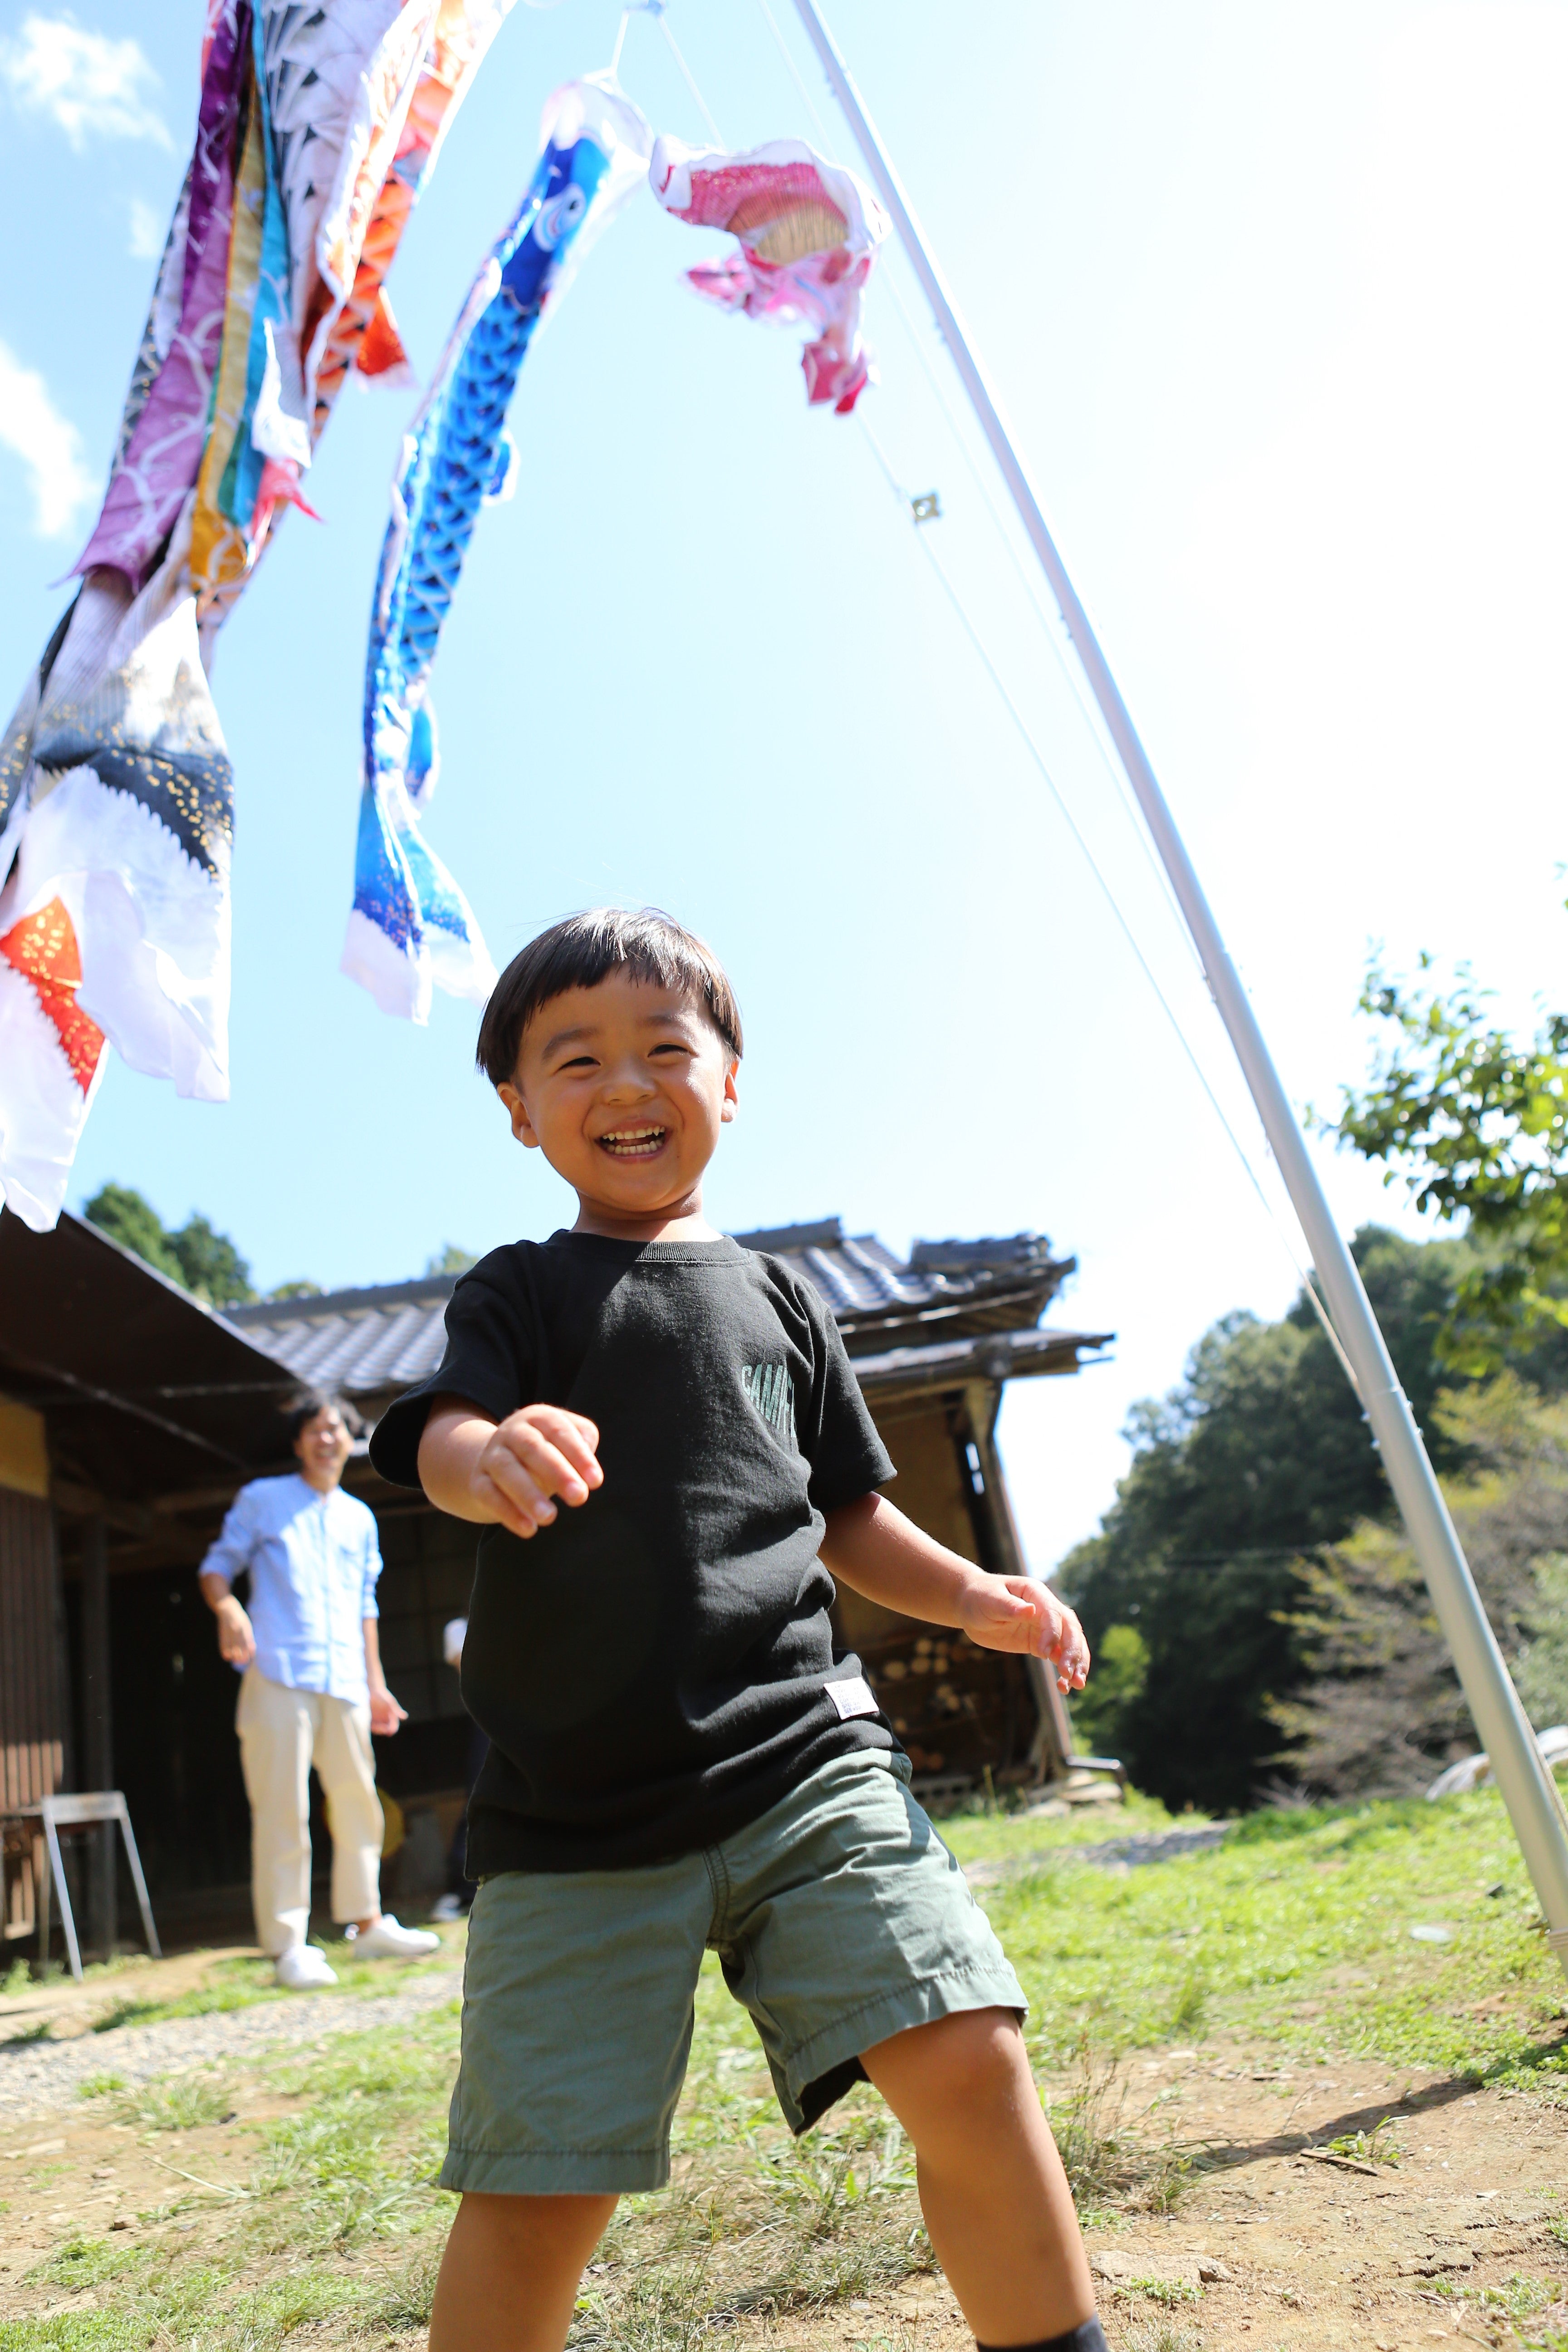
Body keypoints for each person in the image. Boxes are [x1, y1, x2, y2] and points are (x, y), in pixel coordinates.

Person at [369, 907, 1106, 2352]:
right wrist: (489, 1453)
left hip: (805, 1760)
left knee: (968, 2054)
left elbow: (845, 1513)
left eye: (664, 1047)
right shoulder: (520, 1288)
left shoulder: (787, 1301)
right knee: (538, 2193)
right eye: (572, 1059)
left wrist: (976, 1595)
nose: (625, 1086)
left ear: (731, 1080)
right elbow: (444, 1437)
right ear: (518, 1112)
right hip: (572, 1818)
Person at [200, 1391, 440, 1988]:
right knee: (284, 1807)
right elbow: (216, 1568)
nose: (325, 1438)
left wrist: (377, 1686)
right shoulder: (263, 1500)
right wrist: (228, 1609)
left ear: (348, 1440)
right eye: (314, 1429)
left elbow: (366, 1607)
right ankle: (289, 1945)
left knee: (359, 1802)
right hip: (278, 1671)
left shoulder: (360, 1516)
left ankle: (368, 1925)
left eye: (335, 1428)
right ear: (297, 1443)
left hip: (345, 1680)